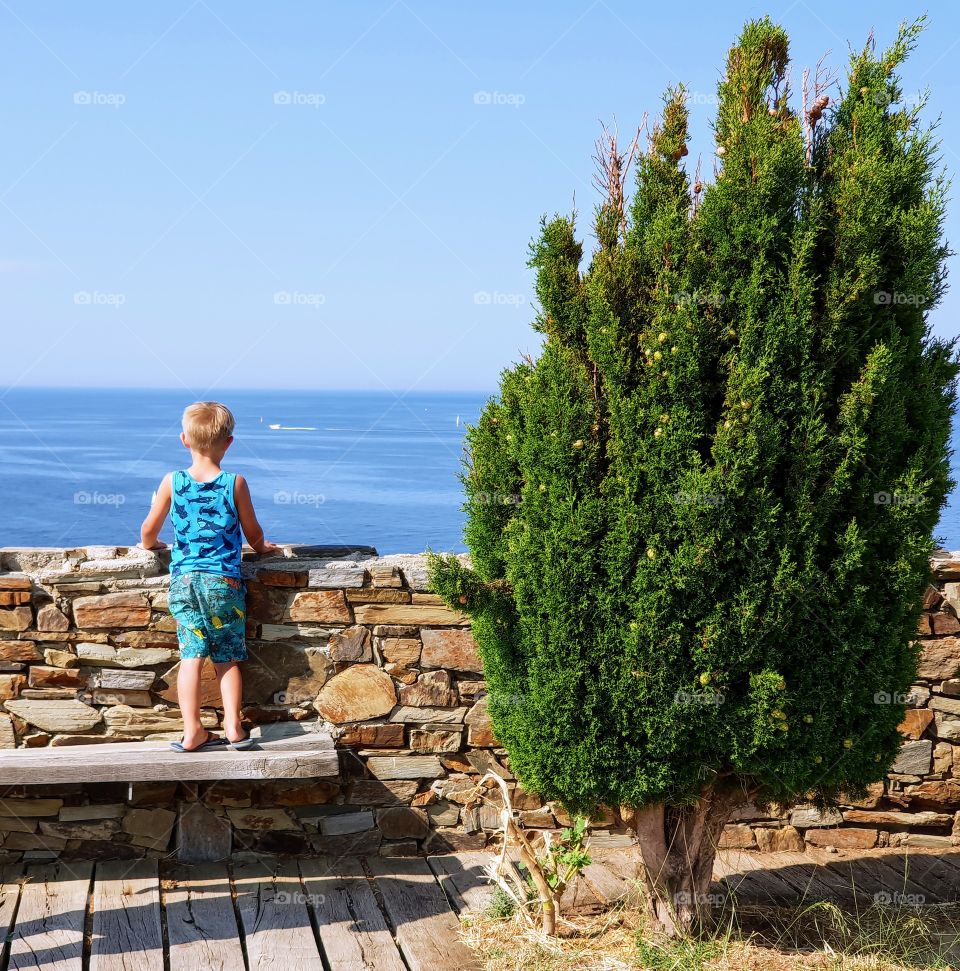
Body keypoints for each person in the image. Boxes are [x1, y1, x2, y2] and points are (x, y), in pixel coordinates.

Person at [139, 401, 279, 752]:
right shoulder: (236, 483)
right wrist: (265, 549)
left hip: (184, 582)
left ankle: (192, 732)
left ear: (184, 439)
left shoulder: (172, 482)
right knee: (227, 656)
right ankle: (233, 727)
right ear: (229, 442)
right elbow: (254, 535)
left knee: (191, 655)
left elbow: (146, 534)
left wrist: (155, 544)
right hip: (223, 583)